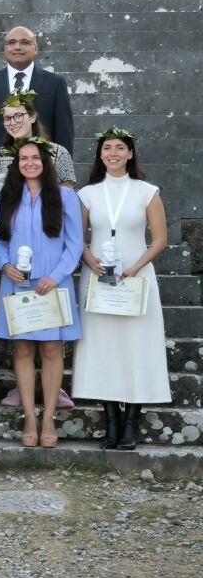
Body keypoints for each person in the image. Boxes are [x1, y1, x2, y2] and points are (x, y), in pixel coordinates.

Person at [75, 128, 171, 451]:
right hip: (100, 280)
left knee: (136, 347)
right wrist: (91, 262)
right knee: (103, 348)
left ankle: (131, 422)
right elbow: (78, 239)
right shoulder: (87, 194)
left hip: (136, 278)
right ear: (100, 154)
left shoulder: (147, 192)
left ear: (130, 153)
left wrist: (136, 267)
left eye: (119, 148)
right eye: (107, 148)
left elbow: (160, 239)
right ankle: (111, 422)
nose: (112, 153)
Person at [0, 137, 84, 449]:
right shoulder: (6, 196)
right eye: (23, 158)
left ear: (46, 163)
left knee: (51, 349)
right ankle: (30, 417)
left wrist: (56, 276)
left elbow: (75, 244)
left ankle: (49, 419)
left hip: (52, 284)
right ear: (16, 164)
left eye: (35, 158)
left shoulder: (65, 196)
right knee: (21, 349)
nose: (29, 163)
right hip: (16, 283)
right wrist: (4, 265)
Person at [0, 27, 75, 176]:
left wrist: (61, 172)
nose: (17, 47)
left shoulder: (55, 83)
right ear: (5, 49)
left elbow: (64, 132)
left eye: (25, 42)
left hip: (43, 169)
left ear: (36, 48)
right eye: (11, 42)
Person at [0, 91, 77, 185]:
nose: (13, 123)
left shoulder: (58, 152)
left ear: (32, 117)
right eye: (7, 118)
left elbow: (68, 191)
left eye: (18, 116)